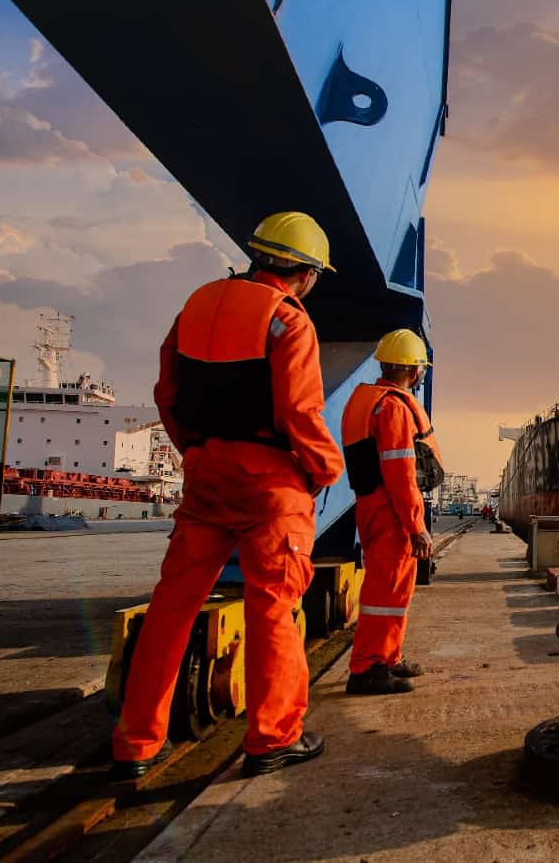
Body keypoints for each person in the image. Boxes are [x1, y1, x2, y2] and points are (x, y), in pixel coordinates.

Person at [111, 211, 344, 779]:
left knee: (172, 607)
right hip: (270, 483)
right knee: (274, 610)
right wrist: (325, 469)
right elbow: (299, 412)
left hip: (206, 473)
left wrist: (195, 450)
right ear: (307, 273)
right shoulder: (288, 320)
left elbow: (167, 394)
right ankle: (272, 739)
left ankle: (137, 743)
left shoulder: (195, 306)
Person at [341, 329, 442, 695]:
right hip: (391, 511)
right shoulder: (394, 409)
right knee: (386, 593)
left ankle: (388, 656)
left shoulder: (366, 401)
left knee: (392, 590)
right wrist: (416, 526)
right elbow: (400, 474)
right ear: (415, 371)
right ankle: (367, 668)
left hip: (374, 505)